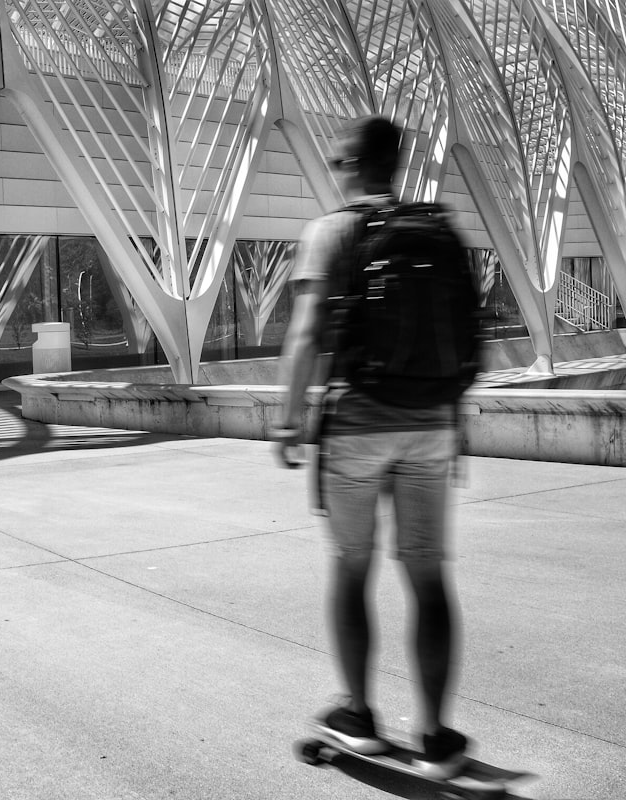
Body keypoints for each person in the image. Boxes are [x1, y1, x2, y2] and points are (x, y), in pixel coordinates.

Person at [275, 116, 472, 779]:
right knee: (428, 576)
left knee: (352, 568)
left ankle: (359, 716)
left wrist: (286, 420)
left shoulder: (329, 233)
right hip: (433, 422)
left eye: (337, 162)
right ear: (396, 166)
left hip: (357, 424)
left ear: (353, 165)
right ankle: (439, 736)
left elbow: (306, 336)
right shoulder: (439, 233)